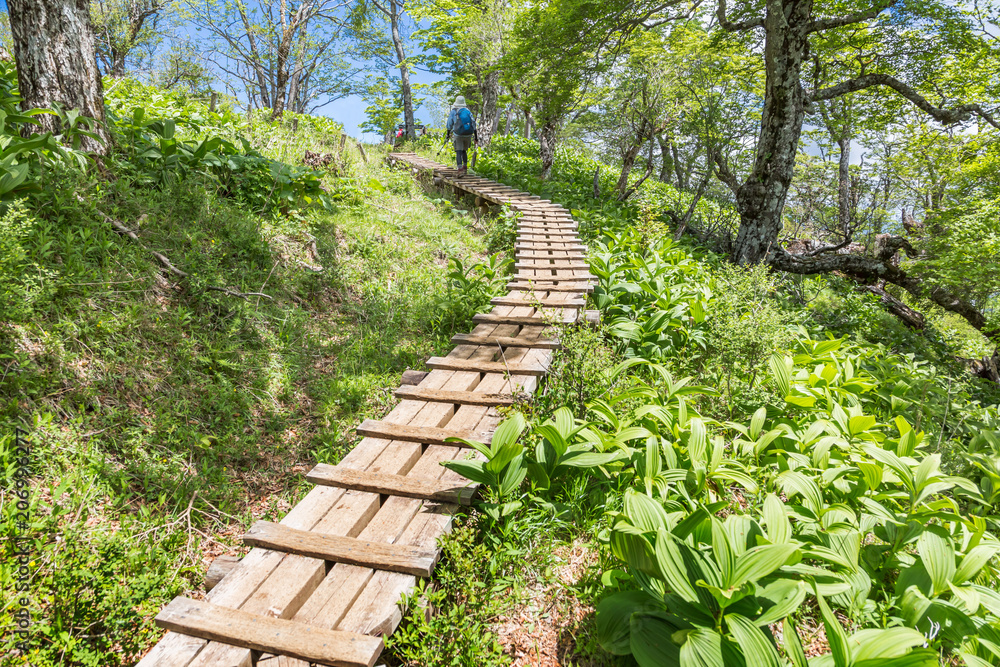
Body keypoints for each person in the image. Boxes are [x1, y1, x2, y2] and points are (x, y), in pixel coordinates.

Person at [445, 96, 477, 176]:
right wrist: (476, 137)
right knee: (464, 151)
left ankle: (460, 170)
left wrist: (448, 134)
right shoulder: (468, 111)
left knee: (458, 151)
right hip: (468, 134)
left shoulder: (454, 111)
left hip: (458, 134)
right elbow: (474, 124)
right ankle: (465, 167)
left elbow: (449, 124)